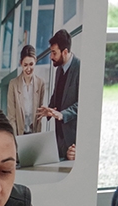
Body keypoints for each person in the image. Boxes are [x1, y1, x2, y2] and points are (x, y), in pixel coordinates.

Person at [36, 29, 80, 160]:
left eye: (54, 53)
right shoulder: (59, 70)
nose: (51, 57)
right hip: (59, 136)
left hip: (73, 139)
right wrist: (50, 109)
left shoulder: (81, 69)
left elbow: (83, 104)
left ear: (65, 52)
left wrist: (62, 114)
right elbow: (57, 94)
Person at [7, 45, 46, 136]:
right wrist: (16, 139)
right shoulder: (13, 84)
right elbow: (11, 117)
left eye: (31, 64)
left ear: (35, 61)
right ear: (21, 63)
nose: (28, 69)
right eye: (25, 65)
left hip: (34, 133)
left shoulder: (41, 83)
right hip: (19, 133)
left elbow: (40, 115)